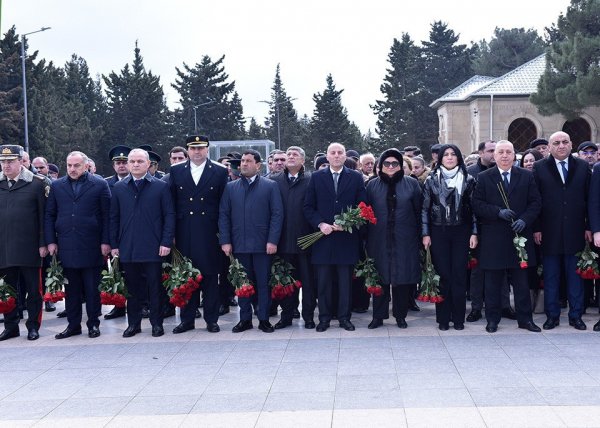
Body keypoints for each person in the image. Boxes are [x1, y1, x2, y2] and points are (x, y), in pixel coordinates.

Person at [472, 141, 542, 333]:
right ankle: (492, 320)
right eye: (500, 152)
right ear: (494, 156)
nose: (504, 155)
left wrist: (525, 220)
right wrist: (497, 212)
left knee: (521, 282)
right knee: (493, 282)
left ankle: (525, 320)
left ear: (514, 155)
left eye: (508, 152)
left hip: (520, 236)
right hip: (494, 238)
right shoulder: (484, 177)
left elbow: (536, 202)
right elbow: (477, 204)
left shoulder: (527, 176)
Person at [45, 151, 111, 339]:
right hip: (66, 244)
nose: (72, 169)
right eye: (69, 165)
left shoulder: (99, 184)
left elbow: (107, 216)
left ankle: (93, 324)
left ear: (86, 166)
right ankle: (73, 325)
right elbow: (49, 215)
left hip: (92, 244)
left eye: (76, 165)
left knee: (92, 289)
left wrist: (106, 241)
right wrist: (51, 241)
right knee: (71, 289)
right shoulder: (57, 186)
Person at [110, 148, 175, 337]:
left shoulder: (160, 186)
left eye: (140, 161)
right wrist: (114, 244)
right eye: (132, 161)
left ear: (148, 164)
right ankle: (133, 324)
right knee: (132, 289)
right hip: (128, 246)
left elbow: (169, 216)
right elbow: (113, 218)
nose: (136, 164)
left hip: (154, 246)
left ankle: (157, 323)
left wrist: (165, 242)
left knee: (155, 288)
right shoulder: (119, 188)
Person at [304, 142, 367, 332]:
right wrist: (321, 224)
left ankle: (344, 318)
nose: (337, 155)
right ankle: (324, 318)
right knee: (323, 282)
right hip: (323, 238)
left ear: (345, 156)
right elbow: (308, 207)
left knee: (345, 282)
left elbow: (362, 205)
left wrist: (348, 223)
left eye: (340, 152)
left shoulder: (355, 177)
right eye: (333, 152)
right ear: (328, 156)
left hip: (346, 239)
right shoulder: (316, 177)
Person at [219, 149, 283, 333]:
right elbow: (224, 215)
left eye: (248, 161)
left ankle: (263, 319)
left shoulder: (270, 186)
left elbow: (277, 215)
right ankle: (245, 319)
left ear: (258, 165)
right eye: (242, 162)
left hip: (263, 245)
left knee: (263, 283)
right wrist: (225, 241)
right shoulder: (231, 187)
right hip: (238, 245)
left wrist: (273, 241)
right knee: (242, 283)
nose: (244, 164)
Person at [169, 135, 228, 334]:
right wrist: (172, 234)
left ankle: (211, 319)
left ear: (207, 149)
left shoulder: (219, 172)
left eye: (201, 148)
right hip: (184, 231)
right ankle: (187, 319)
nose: (197, 152)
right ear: (187, 150)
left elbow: (223, 206)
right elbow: (171, 205)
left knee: (211, 278)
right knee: (187, 277)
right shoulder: (176, 171)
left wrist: (224, 235)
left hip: (209, 233)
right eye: (193, 148)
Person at [533, 131, 591, 330]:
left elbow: (589, 200)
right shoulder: (539, 168)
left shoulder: (583, 167)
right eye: (556, 143)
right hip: (549, 232)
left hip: (576, 231)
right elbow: (535, 201)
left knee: (575, 277)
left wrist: (589, 227)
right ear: (549, 147)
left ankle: (576, 315)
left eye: (565, 142)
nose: (561, 146)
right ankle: (552, 316)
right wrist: (537, 228)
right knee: (551, 277)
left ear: (571, 144)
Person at [422, 144, 478, 331]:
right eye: (446, 154)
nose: (450, 157)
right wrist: (425, 233)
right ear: (440, 159)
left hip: (461, 230)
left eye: (453, 154)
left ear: (459, 158)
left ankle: (459, 319)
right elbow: (425, 209)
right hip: (439, 231)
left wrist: (474, 232)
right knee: (443, 275)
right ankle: (443, 319)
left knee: (459, 275)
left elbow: (473, 210)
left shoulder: (468, 179)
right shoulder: (431, 180)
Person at [366, 149, 423, 329]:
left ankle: (400, 315)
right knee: (380, 276)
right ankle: (378, 316)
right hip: (378, 238)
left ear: (400, 165)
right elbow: (365, 213)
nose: (391, 167)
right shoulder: (372, 185)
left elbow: (419, 211)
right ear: (380, 166)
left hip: (405, 237)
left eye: (395, 164)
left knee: (402, 277)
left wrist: (421, 235)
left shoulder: (411, 184)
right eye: (387, 164)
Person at [0, 145, 48, 341]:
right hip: (4, 247)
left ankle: (33, 326)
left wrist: (44, 243)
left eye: (10, 161)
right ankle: (11, 326)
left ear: (21, 161)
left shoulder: (37, 184)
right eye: (3, 161)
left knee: (33, 291)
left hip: (30, 247)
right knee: (6, 289)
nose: (6, 165)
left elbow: (46, 217)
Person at [270, 146, 315, 329]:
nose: (290, 157)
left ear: (302, 160)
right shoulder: (274, 181)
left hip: (307, 241)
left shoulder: (312, 180)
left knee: (309, 283)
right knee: (286, 282)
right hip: (283, 242)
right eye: (288, 154)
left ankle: (309, 316)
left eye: (295, 155)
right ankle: (286, 316)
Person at [103, 145, 131, 320]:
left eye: (124, 162)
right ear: (113, 166)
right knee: (117, 271)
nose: (121, 166)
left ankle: (142, 304)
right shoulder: (106, 184)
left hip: (133, 233)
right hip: (116, 234)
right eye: (118, 163)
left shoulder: (137, 181)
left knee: (137, 273)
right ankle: (119, 305)